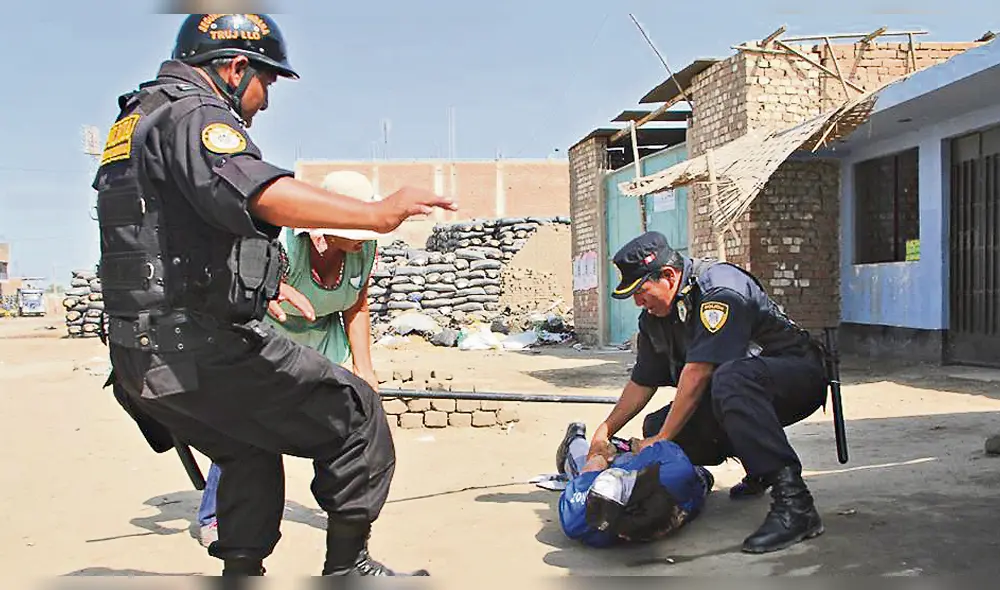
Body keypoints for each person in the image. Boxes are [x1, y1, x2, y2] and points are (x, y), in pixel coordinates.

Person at [94, 13, 456, 576]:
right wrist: (376, 213)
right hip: (199, 347)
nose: (264, 102)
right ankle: (347, 568)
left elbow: (166, 237)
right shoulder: (196, 114)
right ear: (236, 68)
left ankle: (242, 569)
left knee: (246, 445)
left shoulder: (140, 117)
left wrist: (261, 285)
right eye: (267, 83)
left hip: (142, 355)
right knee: (357, 413)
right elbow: (257, 189)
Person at [586, 231, 828, 555]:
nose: (638, 302)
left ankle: (796, 506)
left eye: (641, 291)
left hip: (797, 374)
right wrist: (605, 430)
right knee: (656, 426)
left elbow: (698, 373)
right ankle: (727, 472)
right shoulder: (656, 318)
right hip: (746, 386)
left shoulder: (720, 290)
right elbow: (642, 382)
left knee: (728, 381)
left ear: (668, 276)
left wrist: (663, 441)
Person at [195, 170, 386, 548]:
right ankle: (217, 514)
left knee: (338, 423)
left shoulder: (363, 249)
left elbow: (356, 304)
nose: (361, 238)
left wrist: (365, 369)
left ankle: (343, 514)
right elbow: (242, 291)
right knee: (249, 429)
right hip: (267, 335)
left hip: (322, 336)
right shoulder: (284, 244)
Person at [555, 422, 713, 548]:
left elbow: (588, 473)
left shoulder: (578, 518)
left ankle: (575, 440)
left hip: (617, 470)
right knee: (703, 477)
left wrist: (600, 456)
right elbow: (661, 445)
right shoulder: (676, 470)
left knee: (585, 462)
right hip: (679, 480)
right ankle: (581, 442)